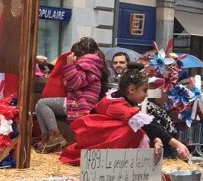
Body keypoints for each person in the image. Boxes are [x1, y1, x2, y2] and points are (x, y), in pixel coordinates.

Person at [60, 64, 190, 165]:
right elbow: (149, 125)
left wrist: (156, 139)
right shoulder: (118, 105)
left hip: (96, 133)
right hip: (94, 136)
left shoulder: (121, 98)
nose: (146, 95)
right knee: (128, 130)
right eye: (144, 90)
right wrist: (178, 144)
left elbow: (146, 125)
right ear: (132, 90)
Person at [34, 37, 109, 153]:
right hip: (80, 100)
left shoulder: (87, 63)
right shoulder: (94, 64)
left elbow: (75, 83)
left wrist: (69, 65)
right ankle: (48, 139)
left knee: (42, 104)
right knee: (40, 105)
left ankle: (54, 137)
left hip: (80, 102)